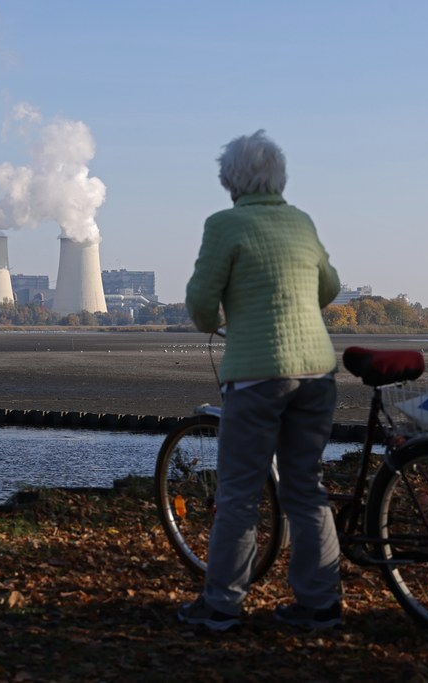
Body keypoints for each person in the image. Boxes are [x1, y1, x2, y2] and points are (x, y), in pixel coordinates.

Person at [178, 129, 342, 632]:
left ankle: (222, 605)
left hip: (256, 375)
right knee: (306, 487)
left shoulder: (225, 225)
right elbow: (330, 286)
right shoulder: (301, 221)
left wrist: (223, 318)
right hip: (316, 370)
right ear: (279, 176)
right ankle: (319, 604)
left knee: (239, 493)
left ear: (231, 180)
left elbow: (203, 305)